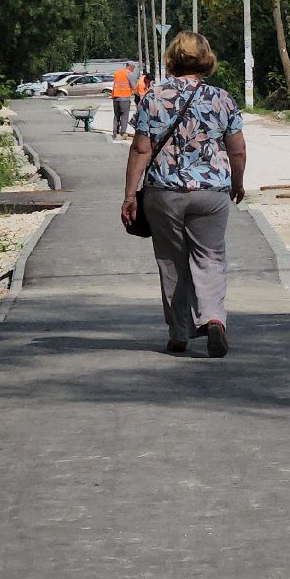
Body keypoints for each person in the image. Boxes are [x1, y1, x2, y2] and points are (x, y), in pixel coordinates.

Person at [120, 32, 246, 357]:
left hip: (164, 192)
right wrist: (237, 183)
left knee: (171, 260)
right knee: (211, 256)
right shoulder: (222, 98)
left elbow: (141, 148)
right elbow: (237, 150)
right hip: (211, 193)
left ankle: (179, 332)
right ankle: (214, 318)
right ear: (206, 60)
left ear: (172, 59)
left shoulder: (153, 97)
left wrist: (130, 195)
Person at [109, 63, 136, 140]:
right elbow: (134, 86)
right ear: (130, 67)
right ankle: (122, 133)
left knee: (116, 116)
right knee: (124, 116)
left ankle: (115, 133)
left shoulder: (117, 73)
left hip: (115, 97)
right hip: (124, 98)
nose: (133, 70)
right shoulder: (129, 74)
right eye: (133, 68)